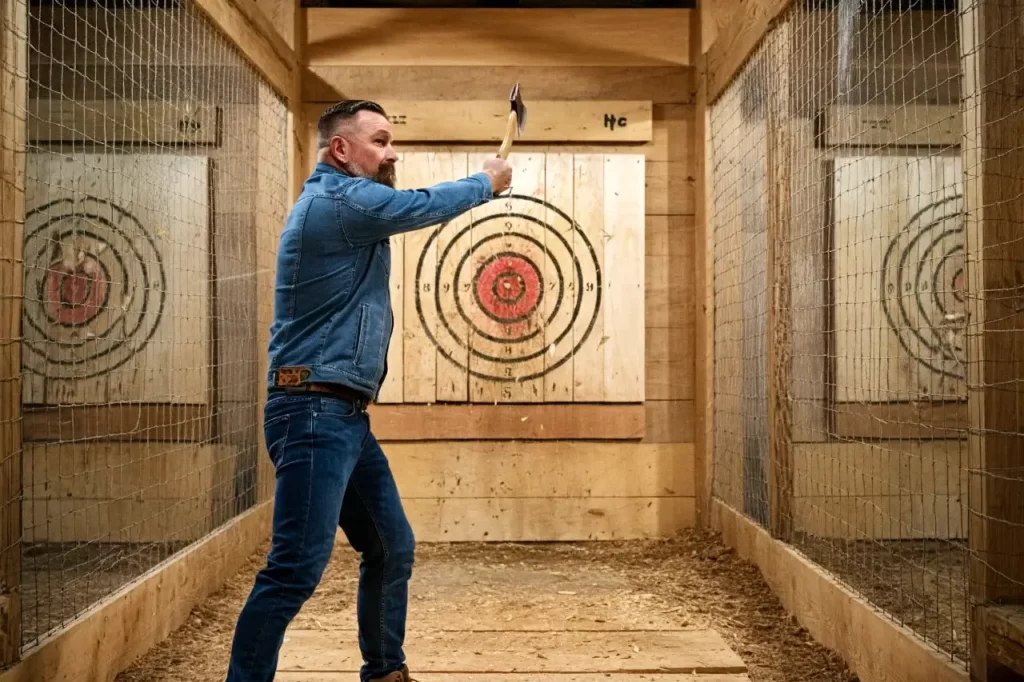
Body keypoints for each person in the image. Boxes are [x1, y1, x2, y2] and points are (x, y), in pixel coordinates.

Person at [224, 99, 513, 682]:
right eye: (380, 141)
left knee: (389, 545)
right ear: (341, 150)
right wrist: (487, 181)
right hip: (312, 411)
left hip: (342, 415)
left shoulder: (345, 205)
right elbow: (419, 206)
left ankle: (385, 671)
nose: (392, 152)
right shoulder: (339, 201)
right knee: (295, 569)